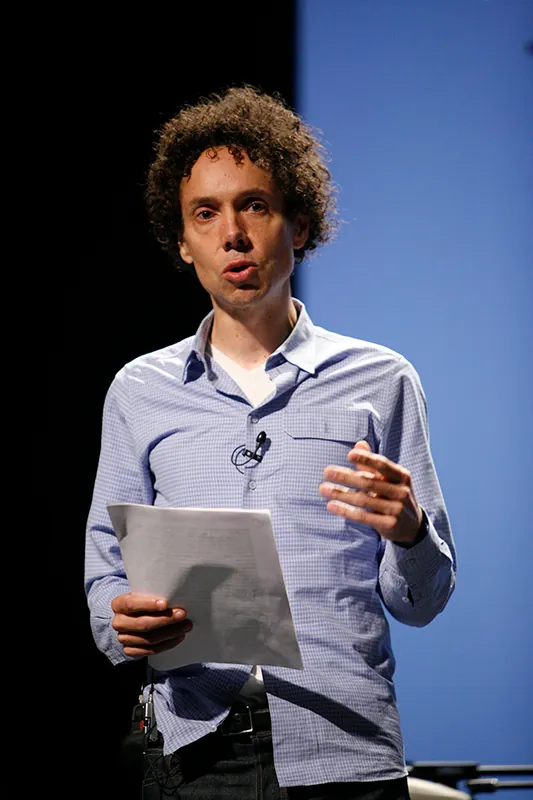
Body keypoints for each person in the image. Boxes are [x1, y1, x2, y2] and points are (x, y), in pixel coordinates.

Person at [85, 86, 456, 799]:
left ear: (301, 224)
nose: (232, 233)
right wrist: (122, 621)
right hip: (193, 749)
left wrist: (410, 533)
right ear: (182, 239)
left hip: (343, 749)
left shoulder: (380, 380)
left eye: (254, 205)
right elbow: (106, 569)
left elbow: (422, 600)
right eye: (205, 213)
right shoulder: (140, 390)